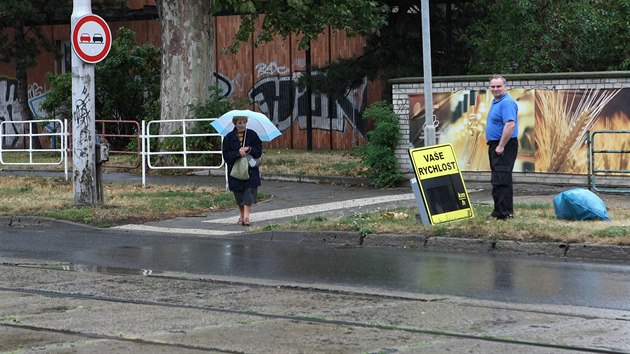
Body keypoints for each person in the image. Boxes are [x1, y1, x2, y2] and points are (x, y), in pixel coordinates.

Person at [485, 75, 518, 220]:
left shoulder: (507, 103)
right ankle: (499, 211)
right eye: (493, 86)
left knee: (502, 179)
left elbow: (510, 124)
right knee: (498, 179)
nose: (495, 89)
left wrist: (501, 145)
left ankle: (504, 213)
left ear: (505, 86)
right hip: (496, 145)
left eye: (498, 86)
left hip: (504, 145)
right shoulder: (496, 101)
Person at [222, 116, 263, 226]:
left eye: (244, 122)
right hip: (236, 170)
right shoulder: (229, 137)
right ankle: (241, 215)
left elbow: (259, 150)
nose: (242, 125)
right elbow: (226, 155)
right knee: (239, 194)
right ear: (235, 123)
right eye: (240, 122)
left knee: (249, 192)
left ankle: (246, 217)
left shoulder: (252, 134)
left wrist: (249, 149)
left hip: (250, 170)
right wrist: (237, 153)